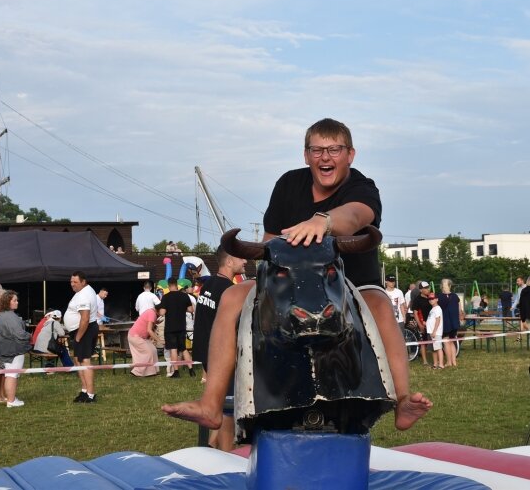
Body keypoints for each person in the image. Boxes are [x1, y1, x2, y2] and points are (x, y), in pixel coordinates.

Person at [162, 118, 431, 432]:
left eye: (334, 149)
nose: (325, 157)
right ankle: (211, 403)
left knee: (381, 305)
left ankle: (402, 400)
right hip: (288, 281)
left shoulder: (362, 186)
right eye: (317, 150)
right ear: (306, 155)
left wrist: (324, 221)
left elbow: (357, 215)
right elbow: (269, 243)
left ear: (350, 155)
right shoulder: (288, 184)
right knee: (233, 295)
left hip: (346, 281)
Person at [191, 245, 247, 451]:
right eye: (241, 258)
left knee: (220, 403)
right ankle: (227, 456)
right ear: (229, 261)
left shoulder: (208, 285)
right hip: (221, 354)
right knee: (228, 408)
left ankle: (211, 445)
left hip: (207, 351)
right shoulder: (229, 290)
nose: (246, 261)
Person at [65, 270, 99, 403]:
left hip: (84, 330)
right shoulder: (83, 292)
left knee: (84, 361)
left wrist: (78, 337)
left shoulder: (84, 295)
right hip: (82, 330)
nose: (72, 284)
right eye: (71, 282)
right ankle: (84, 391)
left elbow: (85, 319)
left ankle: (90, 394)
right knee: (78, 360)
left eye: (75, 282)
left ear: (83, 282)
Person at [0, 290, 32, 407]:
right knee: (12, 374)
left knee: (10, 374)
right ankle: (11, 400)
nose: (17, 302)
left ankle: (11, 398)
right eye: (14, 300)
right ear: (8, 302)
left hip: (6, 348)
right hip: (13, 349)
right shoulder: (10, 316)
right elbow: (19, 334)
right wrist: (30, 336)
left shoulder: (1, 315)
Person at [156, 277, 195, 378]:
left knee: (173, 349)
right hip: (182, 326)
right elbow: (191, 310)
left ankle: (176, 372)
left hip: (170, 328)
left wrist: (159, 310)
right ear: (176, 285)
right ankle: (191, 370)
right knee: (183, 348)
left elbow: (162, 312)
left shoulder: (166, 297)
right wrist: (181, 309)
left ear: (169, 286)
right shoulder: (184, 296)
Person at [127, 304, 160, 377]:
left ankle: (153, 371)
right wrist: (159, 340)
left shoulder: (152, 313)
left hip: (142, 337)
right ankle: (137, 372)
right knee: (148, 351)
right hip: (135, 336)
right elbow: (149, 330)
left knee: (153, 350)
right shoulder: (152, 313)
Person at [437, 278, 464, 368]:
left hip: (448, 322)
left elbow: (459, 309)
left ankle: (450, 361)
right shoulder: (453, 296)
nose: (443, 286)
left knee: (447, 341)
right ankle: (452, 361)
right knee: (451, 341)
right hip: (451, 322)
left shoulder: (441, 297)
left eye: (443, 284)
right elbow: (460, 309)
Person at [410, 281, 434, 367]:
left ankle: (436, 360)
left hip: (432, 323)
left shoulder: (431, 297)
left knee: (434, 340)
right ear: (421, 290)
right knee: (423, 342)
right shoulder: (417, 300)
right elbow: (415, 313)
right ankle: (425, 361)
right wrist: (420, 324)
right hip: (422, 323)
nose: (428, 289)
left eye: (428, 287)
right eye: (426, 288)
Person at [425, 293, 444, 369]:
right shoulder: (432, 309)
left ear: (437, 299)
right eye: (429, 299)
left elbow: (438, 320)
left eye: (432, 299)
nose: (431, 300)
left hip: (436, 332)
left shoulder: (438, 308)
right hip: (430, 332)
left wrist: (434, 331)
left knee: (438, 348)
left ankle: (441, 364)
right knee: (433, 349)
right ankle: (435, 364)